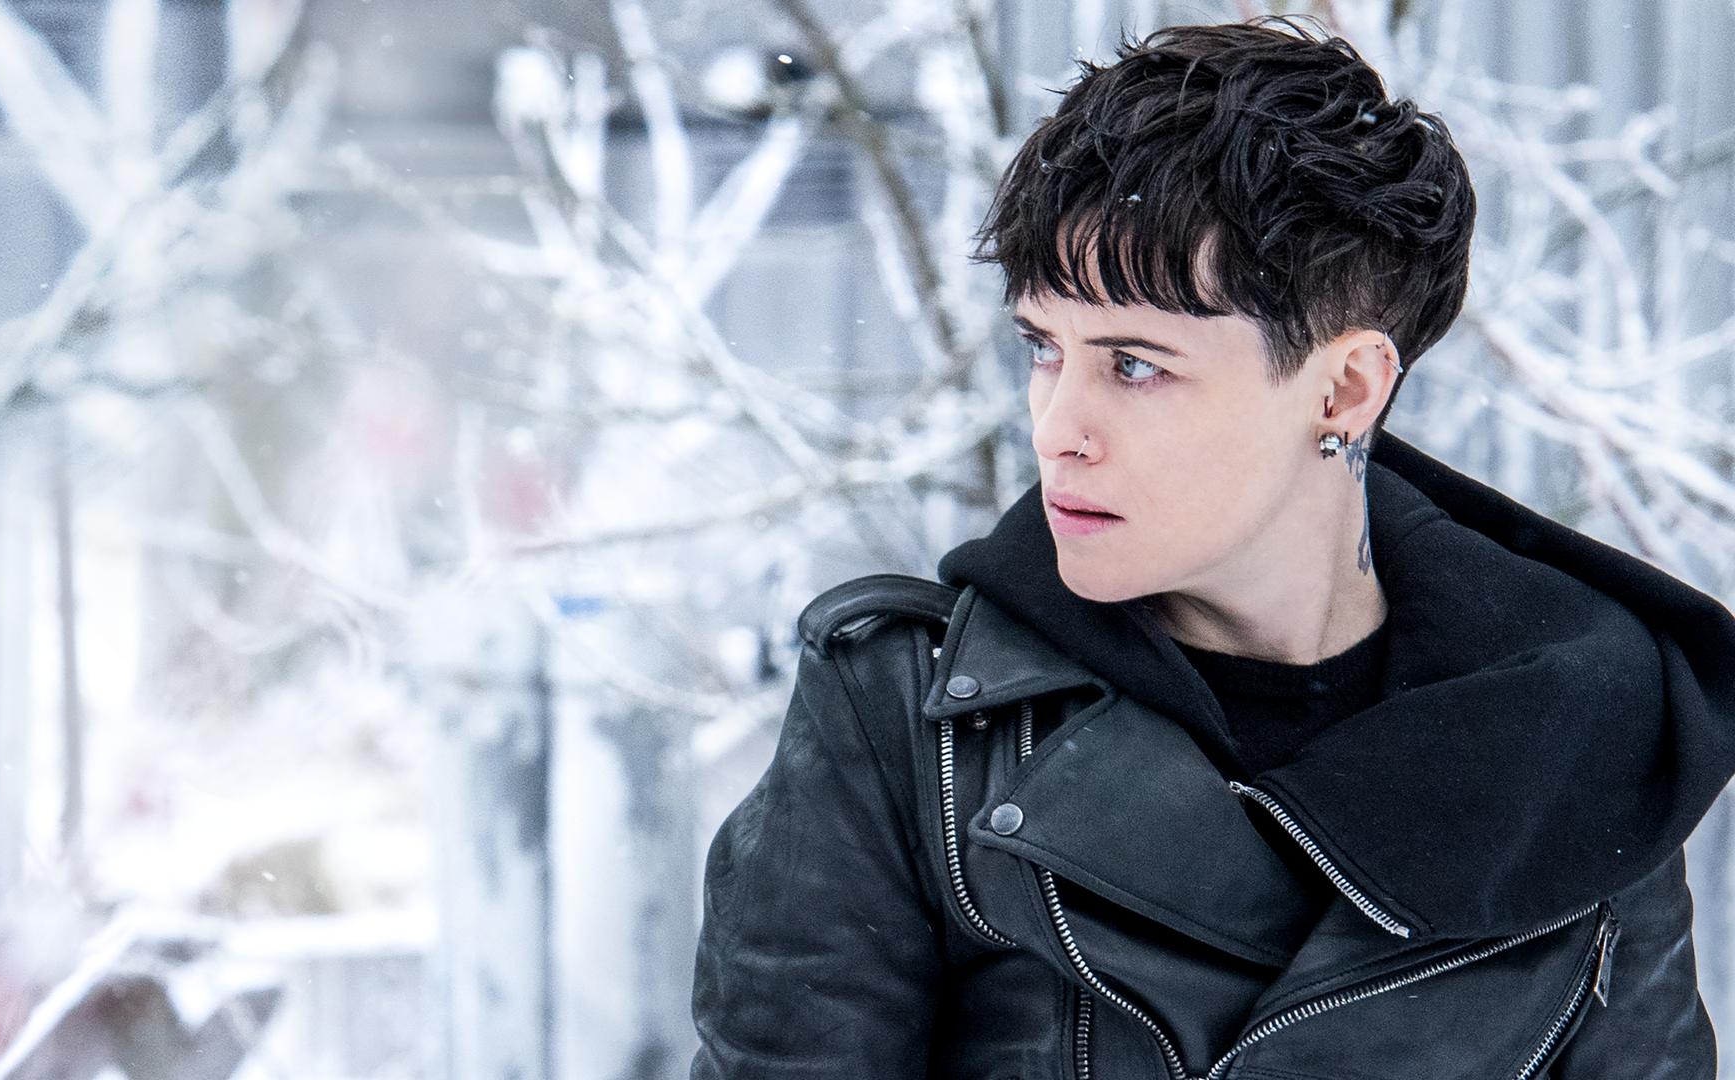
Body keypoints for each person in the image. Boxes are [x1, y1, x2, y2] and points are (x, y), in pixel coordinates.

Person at [688, 17, 1735, 1080]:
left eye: (1135, 364)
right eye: (1044, 348)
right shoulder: (918, 726)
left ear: (1345, 389)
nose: (1057, 427)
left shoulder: (1587, 736)